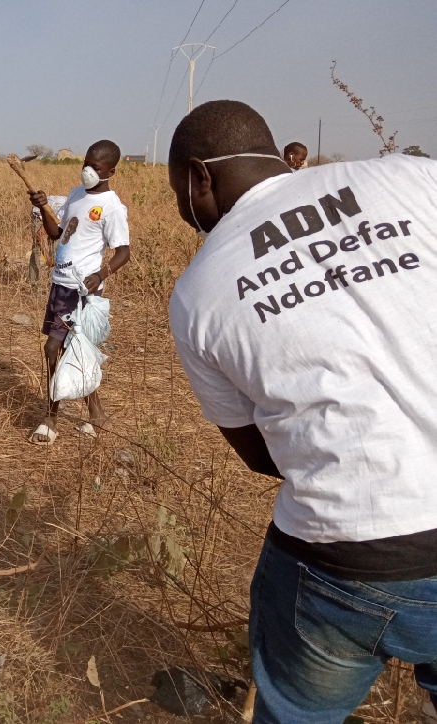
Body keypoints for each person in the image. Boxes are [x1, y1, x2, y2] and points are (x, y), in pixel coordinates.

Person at [167, 99, 437, 723]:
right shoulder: (406, 176)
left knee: (295, 714)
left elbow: (264, 456)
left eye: (180, 191)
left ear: (199, 177)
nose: (186, 211)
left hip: (343, 559)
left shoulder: (200, 291)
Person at [26, 140, 131, 444]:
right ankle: (96, 415)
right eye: (86, 163)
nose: (87, 170)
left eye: (95, 167)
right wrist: (43, 207)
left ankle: (50, 418)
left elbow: (123, 251)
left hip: (84, 291)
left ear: (111, 170)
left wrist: (101, 274)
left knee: (53, 349)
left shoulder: (112, 206)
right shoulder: (75, 194)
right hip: (61, 284)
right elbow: (57, 234)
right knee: (79, 354)